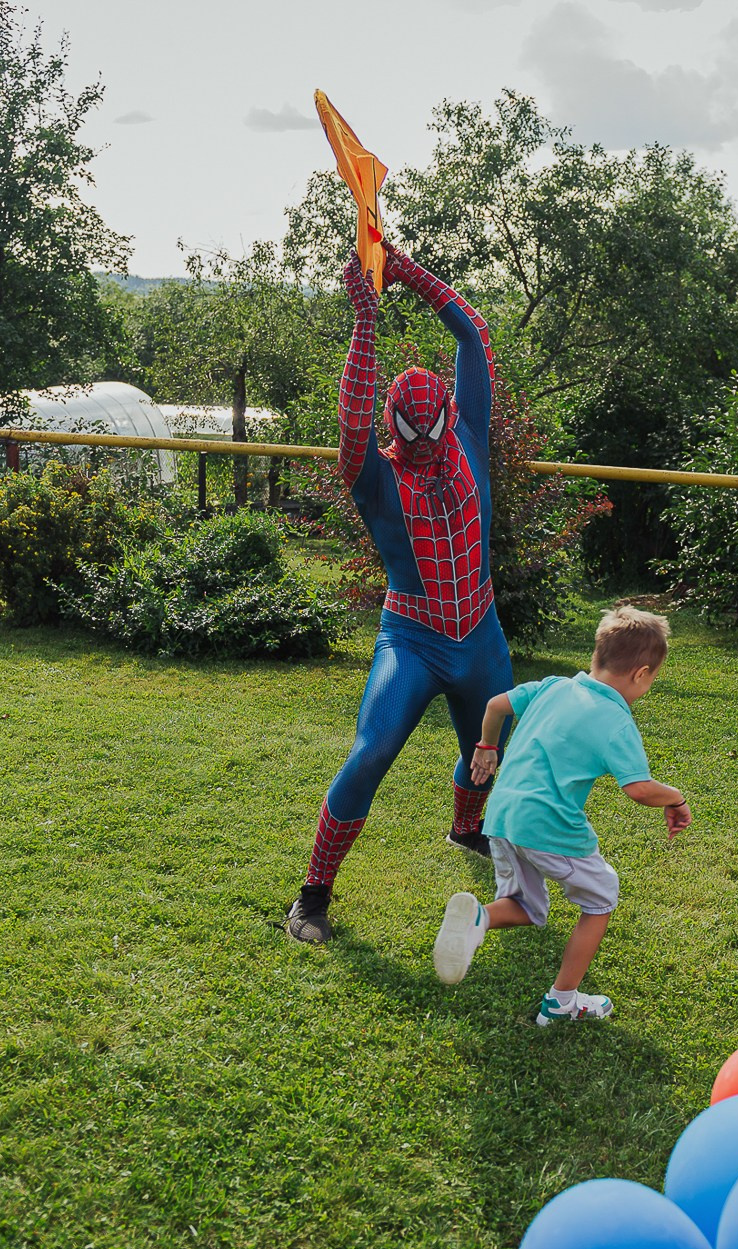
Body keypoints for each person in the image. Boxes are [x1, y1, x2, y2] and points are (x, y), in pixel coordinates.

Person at [284, 245, 514, 944]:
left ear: (447, 414)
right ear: (395, 432)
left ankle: (466, 827)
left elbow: (471, 333)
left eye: (431, 441)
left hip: (478, 627)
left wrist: (405, 268)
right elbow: (352, 422)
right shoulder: (374, 473)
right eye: (410, 446)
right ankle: (312, 897)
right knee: (372, 751)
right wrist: (364, 318)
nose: (425, 457)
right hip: (411, 637)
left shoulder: (468, 431)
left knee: (490, 741)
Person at [430, 606, 692, 1025]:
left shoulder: (552, 686)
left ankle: (478, 919)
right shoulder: (616, 721)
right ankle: (562, 1002)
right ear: (642, 673)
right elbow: (639, 789)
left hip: (501, 816)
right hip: (548, 825)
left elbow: (496, 705)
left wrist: (486, 746)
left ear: (598, 654)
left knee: (525, 905)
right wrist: (676, 798)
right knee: (602, 895)